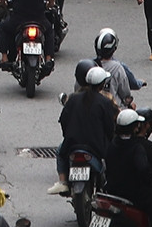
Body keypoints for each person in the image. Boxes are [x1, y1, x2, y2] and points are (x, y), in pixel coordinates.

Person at [51, 65, 118, 195]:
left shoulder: (73, 99)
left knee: (60, 152)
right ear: (102, 84)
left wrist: (68, 137)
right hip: (96, 146)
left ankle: (63, 181)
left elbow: (63, 121)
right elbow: (110, 127)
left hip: (72, 143)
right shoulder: (105, 102)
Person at [93, 27, 144, 108]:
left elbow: (77, 88)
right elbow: (125, 94)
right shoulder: (118, 67)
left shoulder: (87, 66)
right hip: (114, 110)